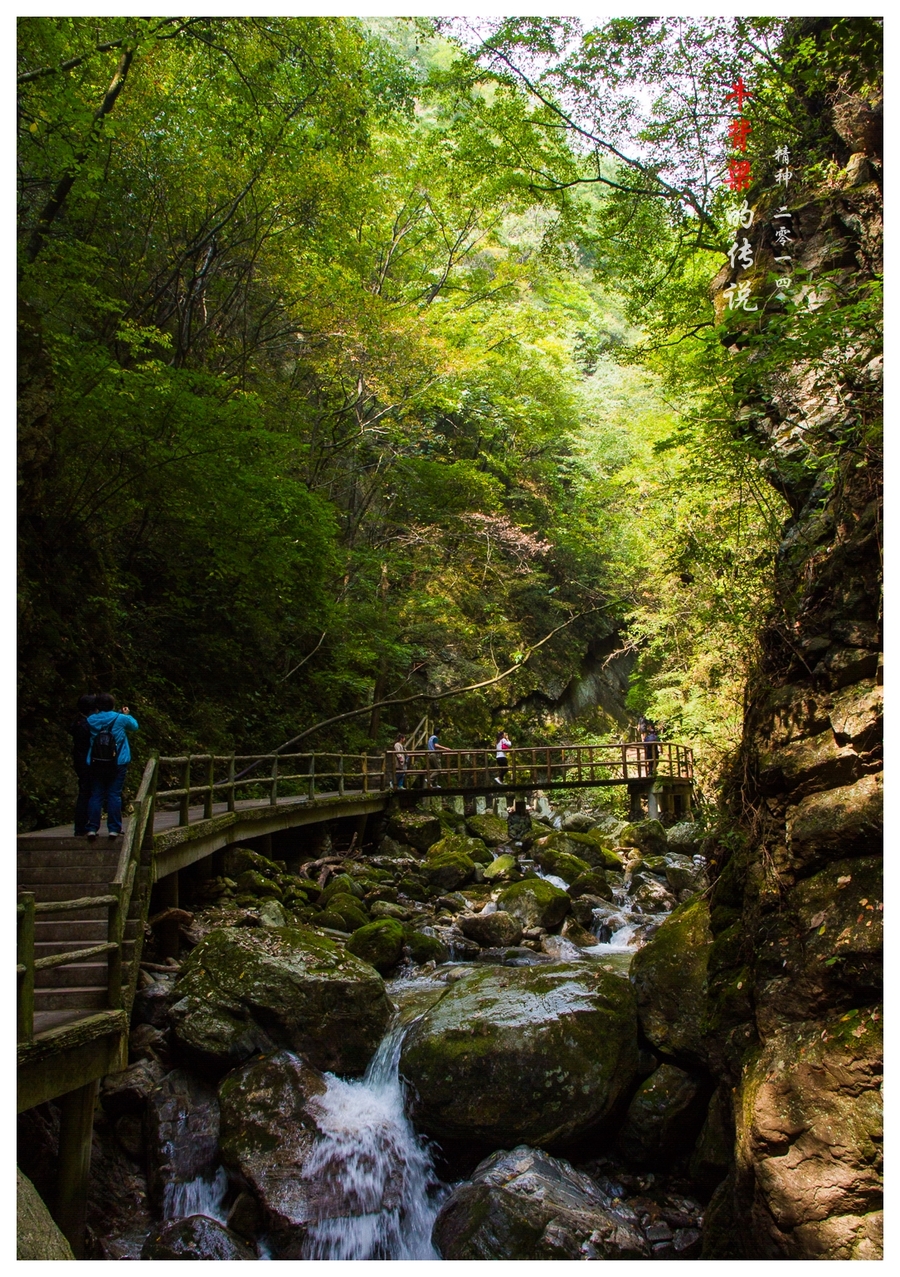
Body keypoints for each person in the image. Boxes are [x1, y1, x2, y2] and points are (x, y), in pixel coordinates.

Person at [85, 694, 140, 841]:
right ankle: (114, 829)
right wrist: (126, 714)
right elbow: (135, 726)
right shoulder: (120, 719)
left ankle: (92, 828)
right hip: (118, 761)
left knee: (96, 794)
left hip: (96, 762)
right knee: (114, 794)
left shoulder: (91, 720)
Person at [67, 693, 96, 837]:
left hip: (79, 760)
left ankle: (82, 825)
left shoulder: (77, 722)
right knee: (87, 793)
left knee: (85, 791)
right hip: (87, 761)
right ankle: (82, 826)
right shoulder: (86, 725)